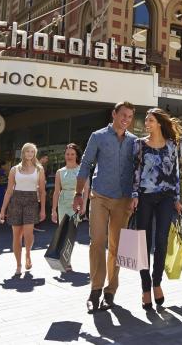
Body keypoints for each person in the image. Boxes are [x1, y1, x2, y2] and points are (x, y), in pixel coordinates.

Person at [73, 102, 137, 313]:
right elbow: (85, 164)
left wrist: (136, 196)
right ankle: (95, 290)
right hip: (99, 196)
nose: (126, 119)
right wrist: (78, 194)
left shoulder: (134, 141)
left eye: (130, 116)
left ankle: (111, 291)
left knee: (118, 247)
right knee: (97, 243)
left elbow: (138, 170)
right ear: (114, 114)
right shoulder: (98, 136)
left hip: (123, 200)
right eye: (123, 114)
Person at [131, 108, 182, 311]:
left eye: (151, 120)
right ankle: (145, 288)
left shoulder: (171, 145)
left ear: (160, 123)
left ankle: (156, 283)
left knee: (161, 241)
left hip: (166, 197)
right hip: (144, 197)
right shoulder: (139, 145)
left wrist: (177, 199)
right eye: (146, 120)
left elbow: (176, 173)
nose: (147, 123)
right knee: (143, 245)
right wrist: (134, 196)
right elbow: (135, 173)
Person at [0, 143, 47, 276]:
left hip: (32, 201)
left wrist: (43, 209)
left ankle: (28, 254)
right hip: (16, 201)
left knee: (28, 233)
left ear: (34, 154)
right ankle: (18, 265)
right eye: (27, 152)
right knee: (16, 235)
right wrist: (2, 210)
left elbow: (42, 191)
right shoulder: (15, 169)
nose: (30, 154)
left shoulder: (39, 169)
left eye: (32, 152)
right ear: (23, 153)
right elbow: (8, 191)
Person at [52, 144, 86, 235]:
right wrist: (53, 210)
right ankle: (62, 249)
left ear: (76, 155)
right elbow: (56, 192)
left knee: (71, 232)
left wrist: (84, 205)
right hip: (62, 203)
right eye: (67, 154)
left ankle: (67, 249)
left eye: (72, 154)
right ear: (64, 155)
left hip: (76, 202)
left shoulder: (82, 170)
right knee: (62, 231)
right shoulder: (59, 172)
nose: (69, 156)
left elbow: (86, 190)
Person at [34, 153, 51, 233]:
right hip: (37, 190)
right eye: (46, 158)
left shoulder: (39, 166)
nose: (47, 160)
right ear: (42, 158)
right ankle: (35, 224)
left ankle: (35, 224)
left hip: (39, 189)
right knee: (37, 206)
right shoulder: (38, 166)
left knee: (38, 206)